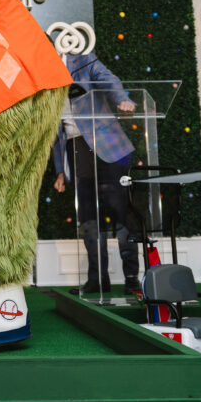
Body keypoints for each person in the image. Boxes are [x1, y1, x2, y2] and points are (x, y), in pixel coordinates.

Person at [51, 51, 141, 295]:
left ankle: (132, 277)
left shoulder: (83, 60)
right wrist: (60, 171)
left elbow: (109, 80)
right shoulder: (43, 75)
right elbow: (54, 134)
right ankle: (97, 278)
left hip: (107, 143)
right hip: (75, 148)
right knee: (88, 216)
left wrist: (122, 99)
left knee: (121, 211)